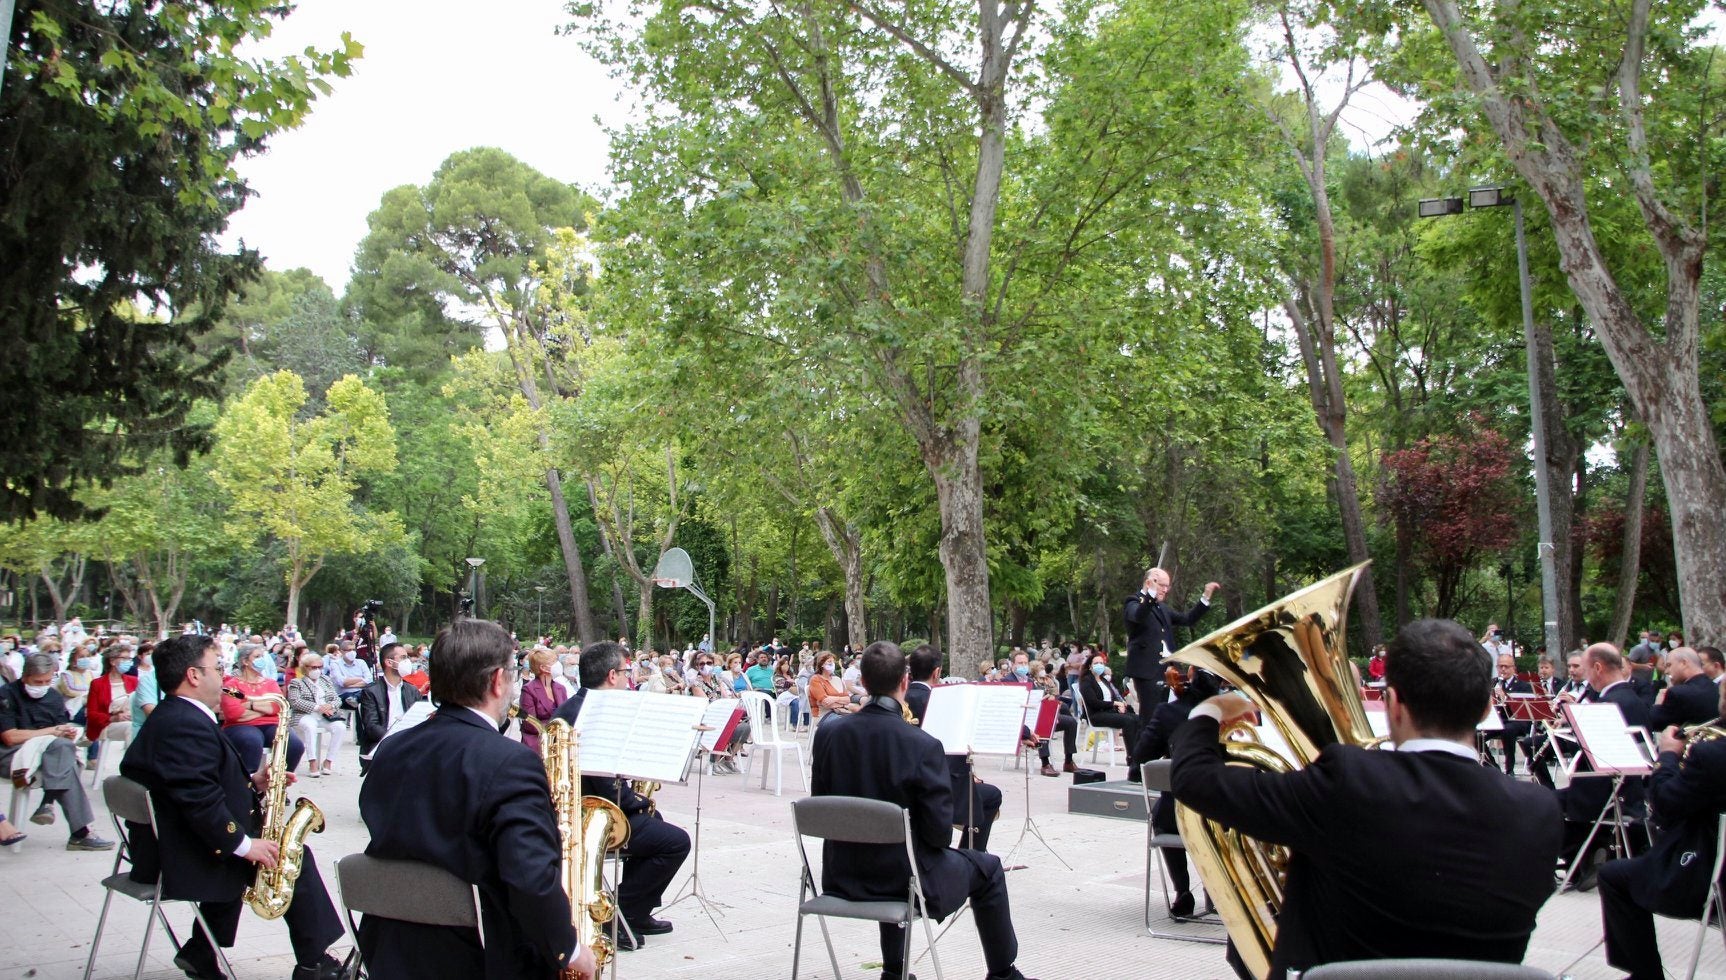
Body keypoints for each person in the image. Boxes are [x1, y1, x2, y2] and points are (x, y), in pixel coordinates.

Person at [1172, 618, 1561, 977]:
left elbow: (1194, 780)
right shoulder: (1540, 810)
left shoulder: (1347, 782)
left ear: (1391, 702)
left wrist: (1207, 712)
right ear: (1487, 706)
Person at [358, 620, 596, 980]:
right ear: (497, 679)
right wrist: (570, 950)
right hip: (481, 956)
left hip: (390, 948)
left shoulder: (392, 748)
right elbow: (530, 880)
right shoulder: (510, 762)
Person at [120, 634, 344, 980]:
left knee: (263, 850)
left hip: (176, 841)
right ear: (194, 675)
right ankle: (315, 963)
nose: (223, 676)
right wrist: (244, 844)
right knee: (289, 857)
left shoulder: (175, 717)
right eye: (218, 667)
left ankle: (201, 951)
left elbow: (195, 784)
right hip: (182, 852)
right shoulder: (183, 725)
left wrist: (252, 782)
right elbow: (197, 801)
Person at [811, 641, 1037, 980]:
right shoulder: (922, 745)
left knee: (898, 854)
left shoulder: (828, 735)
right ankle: (1004, 974)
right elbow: (938, 834)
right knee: (987, 869)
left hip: (841, 875)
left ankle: (893, 971)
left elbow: (820, 806)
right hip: (905, 879)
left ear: (864, 683)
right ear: (904, 682)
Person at [553, 642, 691, 945]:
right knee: (676, 842)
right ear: (612, 675)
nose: (629, 679)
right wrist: (637, 801)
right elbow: (602, 782)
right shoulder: (597, 713)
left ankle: (638, 910)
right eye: (626, 672)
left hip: (587, 807)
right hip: (592, 814)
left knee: (658, 825)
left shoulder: (571, 707)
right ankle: (618, 913)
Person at [1597, 679, 1726, 980]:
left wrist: (1668, 756)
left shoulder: (1712, 755)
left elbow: (1665, 806)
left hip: (1707, 877)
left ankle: (1646, 976)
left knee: (1614, 876)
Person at [1557, 643, 1651, 888]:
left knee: (1545, 802)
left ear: (1597, 668)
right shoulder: (1633, 698)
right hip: (1629, 787)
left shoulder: (1607, 703)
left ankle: (1580, 860)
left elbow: (1589, 753)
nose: (1586, 677)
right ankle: (1591, 853)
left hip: (1607, 790)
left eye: (1587, 669)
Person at [0, 652, 115, 850]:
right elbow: (10, 737)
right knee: (64, 760)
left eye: (47, 680)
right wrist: (52, 732)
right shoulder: (6, 695)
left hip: (50, 755)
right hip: (13, 755)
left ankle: (53, 807)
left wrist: (66, 733)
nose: (42, 685)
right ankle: (70, 823)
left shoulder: (52, 696)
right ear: (25, 677)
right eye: (38, 681)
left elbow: (60, 729)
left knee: (63, 749)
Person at [1134, 663, 1222, 918]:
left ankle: (1182, 892)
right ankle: (1217, 890)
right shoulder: (1235, 710)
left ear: (1189, 679)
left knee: (1164, 813)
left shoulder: (1168, 712)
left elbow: (1141, 756)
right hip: (1228, 813)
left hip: (1178, 814)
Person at [904, 645, 1002, 850]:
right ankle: (971, 855)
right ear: (937, 672)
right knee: (991, 796)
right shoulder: (939, 700)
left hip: (908, 780)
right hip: (939, 784)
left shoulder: (902, 697)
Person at [1124, 568, 1218, 711]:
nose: (1165, 590)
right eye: (1162, 585)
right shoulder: (1134, 601)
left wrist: (1205, 598)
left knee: (1161, 715)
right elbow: (1138, 616)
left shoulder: (1162, 608)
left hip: (1166, 670)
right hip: (1148, 670)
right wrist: (1151, 595)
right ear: (1149, 583)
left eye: (1167, 586)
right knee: (1149, 715)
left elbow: (1187, 619)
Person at [355, 643, 423, 775]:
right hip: (384, 745)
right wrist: (396, 740)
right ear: (389, 662)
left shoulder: (412, 690)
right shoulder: (371, 691)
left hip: (410, 744)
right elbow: (372, 727)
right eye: (403, 657)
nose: (407, 661)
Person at [1078, 651, 1144, 780]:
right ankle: (1131, 757)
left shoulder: (1104, 680)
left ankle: (1139, 752)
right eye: (1096, 663)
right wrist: (1114, 704)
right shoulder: (1086, 681)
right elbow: (1093, 702)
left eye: (1101, 663)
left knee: (1136, 719)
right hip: (1097, 715)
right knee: (1128, 722)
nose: (1099, 665)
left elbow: (1113, 697)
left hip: (1109, 712)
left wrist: (1120, 705)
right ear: (1090, 666)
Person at [287, 651, 348, 777]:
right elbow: (295, 701)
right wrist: (317, 707)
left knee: (340, 727)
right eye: (314, 667)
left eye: (320, 667)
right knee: (310, 727)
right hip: (304, 715)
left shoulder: (325, 680)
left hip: (326, 716)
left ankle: (328, 761)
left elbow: (337, 699)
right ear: (306, 668)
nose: (318, 670)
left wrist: (330, 706)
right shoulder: (296, 682)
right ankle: (312, 762)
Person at [86, 644, 138, 760]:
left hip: (132, 719)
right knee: (132, 728)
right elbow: (91, 714)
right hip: (107, 724)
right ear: (113, 661)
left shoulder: (134, 681)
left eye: (130, 659)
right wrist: (113, 718)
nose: (129, 662)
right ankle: (134, 765)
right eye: (124, 659)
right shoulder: (97, 684)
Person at [517, 648, 570, 755]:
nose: (558, 665)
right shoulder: (528, 689)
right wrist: (555, 731)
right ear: (543, 668)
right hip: (537, 744)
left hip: (560, 743)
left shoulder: (561, 688)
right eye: (554, 662)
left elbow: (567, 717)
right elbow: (530, 724)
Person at [1649, 648, 1717, 731]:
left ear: (1684, 663)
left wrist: (1658, 703)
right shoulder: (1717, 687)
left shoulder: (1677, 693)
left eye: (1669, 665)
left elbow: (1655, 724)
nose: (1666, 671)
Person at [1487, 653, 1533, 775]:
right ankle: (1492, 767)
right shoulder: (1492, 683)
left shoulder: (1523, 686)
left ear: (1513, 668)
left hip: (1516, 721)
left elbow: (1523, 710)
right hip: (1498, 720)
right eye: (1500, 666)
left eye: (1506, 666)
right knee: (1475, 734)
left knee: (1508, 730)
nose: (1503, 669)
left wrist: (1505, 698)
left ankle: (1509, 769)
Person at [323, 645, 373, 710]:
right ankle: (353, 699)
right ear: (342, 651)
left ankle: (354, 698)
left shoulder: (361, 662)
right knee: (347, 697)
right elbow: (342, 682)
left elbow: (369, 680)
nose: (352, 652)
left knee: (366, 692)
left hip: (361, 692)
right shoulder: (335, 664)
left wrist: (349, 685)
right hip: (343, 695)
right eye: (349, 650)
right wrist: (361, 678)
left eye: (353, 650)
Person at [808, 651, 854, 720]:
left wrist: (834, 699)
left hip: (842, 711)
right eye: (829, 661)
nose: (832, 664)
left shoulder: (837, 679)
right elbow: (825, 703)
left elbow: (848, 699)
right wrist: (843, 703)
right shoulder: (815, 679)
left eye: (833, 662)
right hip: (824, 714)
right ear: (822, 664)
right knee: (847, 723)